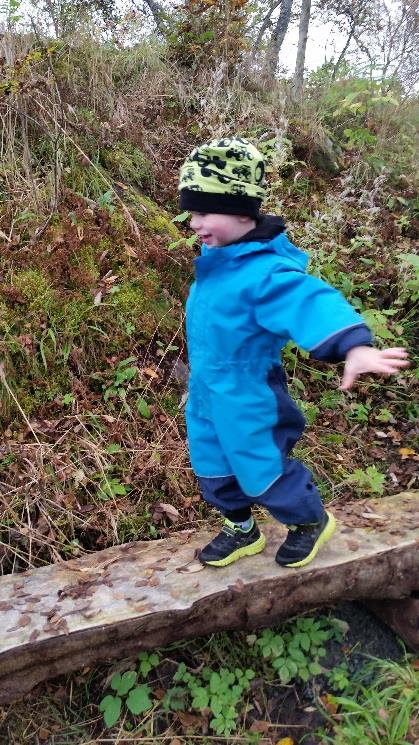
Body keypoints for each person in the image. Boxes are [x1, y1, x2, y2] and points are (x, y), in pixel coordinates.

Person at [178, 136, 409, 570]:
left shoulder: (266, 272)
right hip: (208, 390)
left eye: (204, 212)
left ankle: (309, 522)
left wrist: (352, 345)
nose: (194, 223)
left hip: (249, 392)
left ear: (241, 210)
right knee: (212, 464)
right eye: (192, 212)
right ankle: (241, 529)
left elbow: (311, 301)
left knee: (260, 466)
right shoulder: (218, 258)